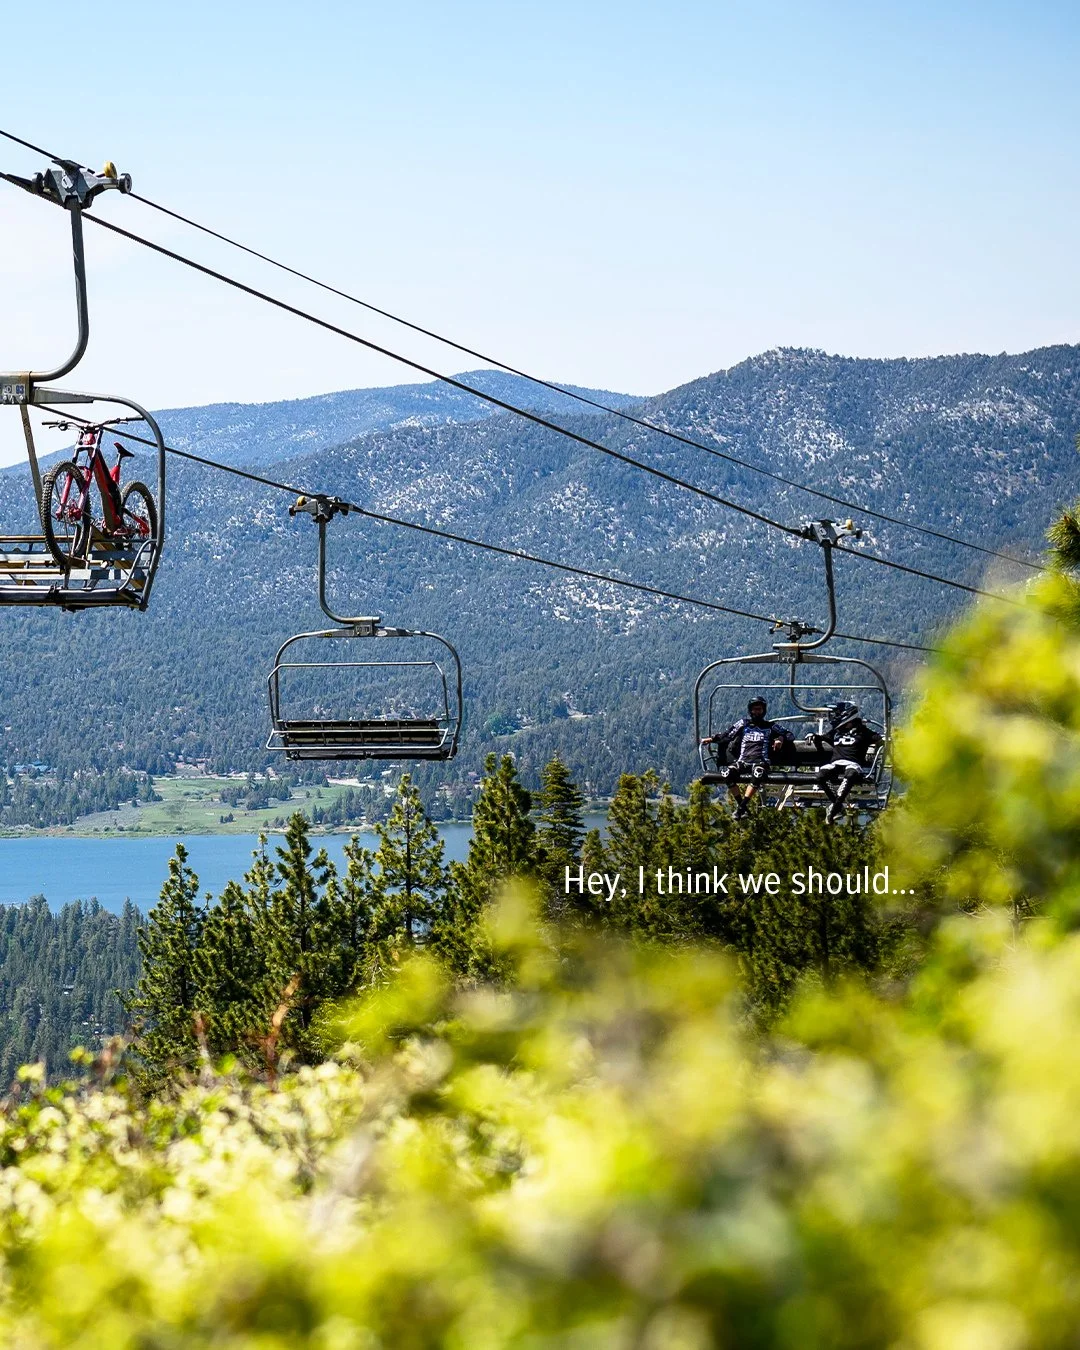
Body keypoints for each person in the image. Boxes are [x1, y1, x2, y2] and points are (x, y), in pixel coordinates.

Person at [702, 697, 795, 817]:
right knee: (726, 774)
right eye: (754, 709)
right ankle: (743, 807)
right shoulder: (743, 724)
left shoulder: (770, 726)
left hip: (761, 762)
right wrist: (711, 739)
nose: (757, 712)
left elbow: (789, 735)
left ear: (763, 710)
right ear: (750, 711)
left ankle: (741, 808)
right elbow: (727, 735)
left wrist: (780, 739)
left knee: (758, 773)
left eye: (759, 709)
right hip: (743, 762)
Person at [813, 701, 884, 823]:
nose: (834, 718)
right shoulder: (836, 732)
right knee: (820, 776)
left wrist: (884, 740)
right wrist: (813, 737)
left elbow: (878, 738)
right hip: (835, 763)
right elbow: (823, 737)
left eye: (837, 715)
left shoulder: (863, 731)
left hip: (853, 764)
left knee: (850, 775)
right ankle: (838, 807)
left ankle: (834, 810)